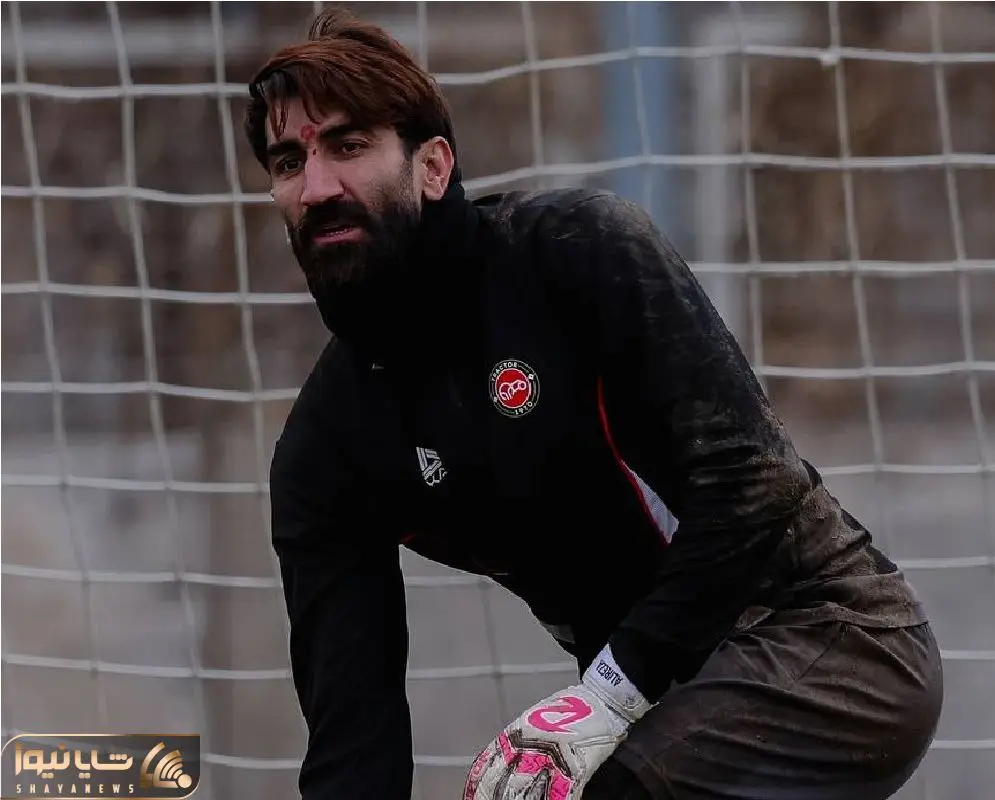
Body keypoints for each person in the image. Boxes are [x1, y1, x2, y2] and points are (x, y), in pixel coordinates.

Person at [249, 8, 943, 800]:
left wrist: (611, 693)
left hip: (833, 640)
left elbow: (755, 485)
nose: (317, 187)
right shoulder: (325, 451)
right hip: (657, 702)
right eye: (288, 162)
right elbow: (353, 746)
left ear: (433, 166)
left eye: (347, 147)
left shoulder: (575, 253)